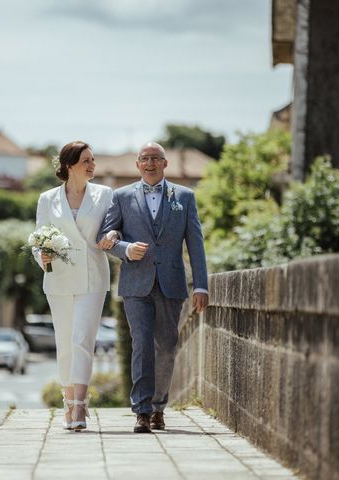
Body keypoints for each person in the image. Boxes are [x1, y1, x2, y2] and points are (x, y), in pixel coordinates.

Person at [97, 142, 208, 433]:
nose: (150, 163)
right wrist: (124, 248)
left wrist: (202, 285)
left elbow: (195, 243)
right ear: (137, 165)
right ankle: (143, 412)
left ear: (165, 163)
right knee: (142, 344)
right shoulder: (120, 197)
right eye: (144, 158)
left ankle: (159, 405)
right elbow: (106, 237)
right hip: (136, 284)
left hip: (172, 283)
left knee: (167, 347)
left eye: (155, 158)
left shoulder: (184, 196)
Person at [33, 140, 117, 431]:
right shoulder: (47, 199)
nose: (92, 165)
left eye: (93, 160)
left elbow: (114, 226)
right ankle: (67, 403)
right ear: (70, 166)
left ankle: (80, 405)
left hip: (93, 277)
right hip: (58, 279)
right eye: (86, 161)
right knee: (65, 343)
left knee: (83, 339)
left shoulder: (105, 195)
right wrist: (41, 256)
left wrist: (114, 235)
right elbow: (39, 237)